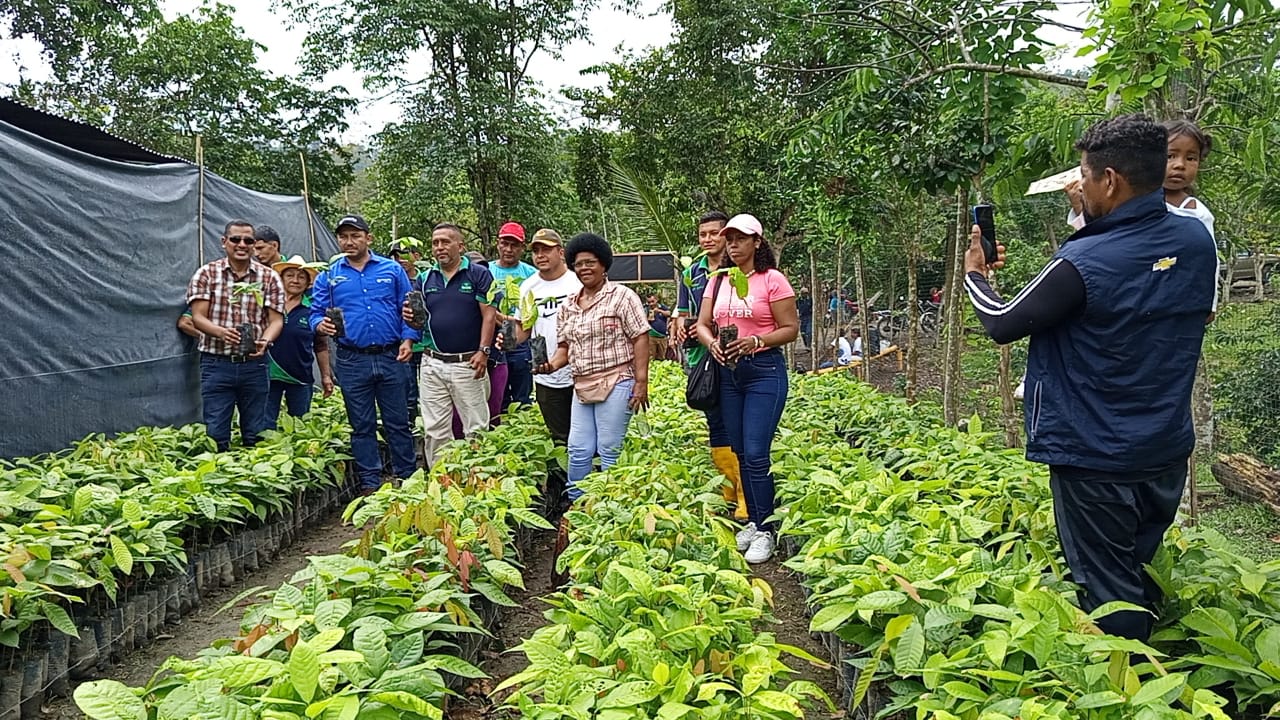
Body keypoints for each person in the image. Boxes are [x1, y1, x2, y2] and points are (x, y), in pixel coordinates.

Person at [963, 114, 1217, 641]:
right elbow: (1132, 277)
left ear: (1110, 180)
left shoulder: (1083, 261)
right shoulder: (1195, 238)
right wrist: (1088, 221)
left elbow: (1003, 322)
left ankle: (1129, 676)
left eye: (1085, 174)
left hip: (1096, 457)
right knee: (1136, 569)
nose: (1080, 183)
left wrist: (974, 275)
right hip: (1164, 448)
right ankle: (1157, 660)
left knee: (1109, 591)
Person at [695, 213, 799, 564]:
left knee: (756, 452)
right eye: (731, 239)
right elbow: (703, 324)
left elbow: (790, 328)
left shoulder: (772, 280)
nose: (734, 245)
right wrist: (711, 343)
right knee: (739, 450)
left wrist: (756, 340)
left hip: (763, 372)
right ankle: (754, 521)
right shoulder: (719, 281)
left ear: (757, 242)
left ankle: (766, 528)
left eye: (741, 239)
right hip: (728, 375)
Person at [310, 214, 419, 494]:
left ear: (368, 238)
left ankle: (407, 478)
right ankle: (370, 483)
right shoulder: (329, 276)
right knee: (361, 424)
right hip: (351, 358)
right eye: (344, 237)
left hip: (391, 355)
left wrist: (408, 340)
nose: (349, 242)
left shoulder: (391, 270)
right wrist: (319, 324)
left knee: (398, 421)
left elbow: (408, 308)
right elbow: (315, 312)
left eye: (355, 236)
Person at [544, 232, 650, 502]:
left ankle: (610, 507)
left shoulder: (622, 297)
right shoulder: (569, 305)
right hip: (582, 385)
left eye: (590, 262)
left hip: (617, 380)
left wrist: (641, 382)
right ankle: (577, 504)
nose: (584, 268)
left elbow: (640, 337)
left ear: (603, 264)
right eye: (579, 264)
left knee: (609, 448)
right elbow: (565, 348)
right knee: (578, 449)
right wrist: (549, 366)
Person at [186, 219, 286, 451]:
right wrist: (221, 333)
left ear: (254, 245)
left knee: (257, 432)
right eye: (235, 239)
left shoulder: (268, 277)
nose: (242, 244)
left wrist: (265, 340)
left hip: (254, 363)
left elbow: (276, 320)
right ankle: (221, 468)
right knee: (216, 431)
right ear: (224, 242)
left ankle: (254, 470)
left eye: (248, 241)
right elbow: (198, 317)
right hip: (216, 362)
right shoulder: (207, 274)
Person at [672, 211, 746, 522]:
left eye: (714, 233)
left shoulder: (740, 269)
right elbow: (683, 311)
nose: (708, 239)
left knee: (738, 421)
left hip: (735, 354)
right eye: (703, 234)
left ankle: (745, 493)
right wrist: (682, 327)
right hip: (702, 358)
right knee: (715, 420)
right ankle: (728, 489)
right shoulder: (692, 273)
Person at [404, 223, 497, 468]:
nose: (439, 247)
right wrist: (409, 320)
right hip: (432, 363)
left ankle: (477, 478)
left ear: (460, 246)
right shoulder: (424, 279)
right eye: (435, 243)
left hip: (468, 363)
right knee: (434, 428)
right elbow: (418, 320)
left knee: (476, 427)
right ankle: (441, 479)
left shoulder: (478, 274)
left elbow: (489, 315)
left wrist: (483, 351)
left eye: (445, 242)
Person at [521, 228, 582, 514]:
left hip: (582, 372)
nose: (540, 255)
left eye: (546, 249)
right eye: (536, 250)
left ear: (561, 252)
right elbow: (524, 328)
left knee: (585, 438)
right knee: (559, 438)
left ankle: (585, 492)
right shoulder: (528, 287)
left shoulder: (577, 282)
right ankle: (562, 496)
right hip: (547, 375)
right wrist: (505, 330)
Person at [265, 256, 334, 428]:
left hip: (300, 375)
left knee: (300, 425)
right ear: (281, 279)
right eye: (290, 275)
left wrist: (326, 376)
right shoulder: (268, 304)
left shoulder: (312, 309)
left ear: (308, 283)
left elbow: (321, 346)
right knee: (264, 425)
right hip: (268, 374)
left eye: (301, 277)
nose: (295, 280)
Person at [490, 222, 537, 409]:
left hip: (522, 339)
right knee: (496, 395)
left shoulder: (532, 274)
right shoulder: (486, 271)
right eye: (504, 244)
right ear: (498, 244)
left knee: (522, 395)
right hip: (493, 339)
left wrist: (501, 317)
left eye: (514, 245)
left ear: (522, 248)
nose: (508, 249)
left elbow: (533, 313)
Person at [390, 237, 425, 422]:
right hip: (404, 344)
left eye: (404, 255)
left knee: (430, 392)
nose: (400, 260)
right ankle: (412, 426)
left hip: (426, 345)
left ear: (416, 256)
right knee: (408, 389)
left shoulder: (426, 278)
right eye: (396, 256)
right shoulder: (392, 280)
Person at [646, 294, 670, 361]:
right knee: (651, 357)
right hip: (651, 336)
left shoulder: (662, 307)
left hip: (662, 336)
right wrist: (648, 319)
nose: (651, 304)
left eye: (652, 301)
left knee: (662, 356)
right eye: (649, 302)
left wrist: (659, 311)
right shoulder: (646, 309)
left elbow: (669, 314)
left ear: (657, 300)